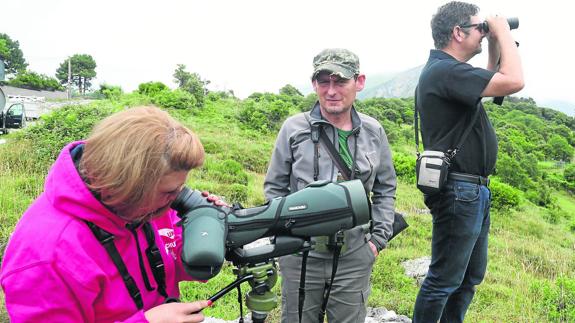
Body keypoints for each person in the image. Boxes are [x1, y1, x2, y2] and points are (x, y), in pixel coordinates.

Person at [1, 106, 215, 322]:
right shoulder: (47, 255)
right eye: (169, 192)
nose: (176, 198)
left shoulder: (147, 205)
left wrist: (208, 231)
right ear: (127, 186)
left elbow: (175, 259)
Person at [264, 48, 397, 323]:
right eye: (324, 82)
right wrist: (284, 241)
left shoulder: (374, 131)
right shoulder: (293, 128)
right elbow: (274, 188)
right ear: (314, 84)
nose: (331, 90)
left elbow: (385, 189)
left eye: (340, 81)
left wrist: (377, 241)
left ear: (359, 82)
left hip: (354, 256)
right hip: (300, 256)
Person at [413, 2, 524, 322]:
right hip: (460, 191)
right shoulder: (445, 71)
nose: (483, 32)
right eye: (479, 28)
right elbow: (513, 80)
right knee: (444, 279)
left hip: (471, 191)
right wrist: (501, 33)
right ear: (458, 33)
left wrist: (491, 43)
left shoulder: (448, 72)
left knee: (467, 279)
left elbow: (487, 84)